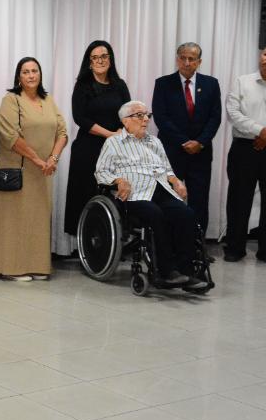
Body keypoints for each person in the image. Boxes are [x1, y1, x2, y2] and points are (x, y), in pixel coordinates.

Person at [95, 101, 207, 289]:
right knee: (155, 214)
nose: (146, 119)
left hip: (160, 189)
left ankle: (187, 272)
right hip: (134, 194)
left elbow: (167, 169)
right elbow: (101, 172)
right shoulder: (113, 142)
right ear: (125, 121)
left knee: (186, 214)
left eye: (147, 115)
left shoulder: (155, 142)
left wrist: (176, 181)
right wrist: (118, 180)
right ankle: (166, 272)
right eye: (140, 115)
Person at [0, 57, 68, 281]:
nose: (31, 75)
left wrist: (53, 158)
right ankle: (11, 268)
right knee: (15, 219)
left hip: (44, 172)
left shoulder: (48, 100)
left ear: (40, 74)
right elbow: (10, 135)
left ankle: (37, 266)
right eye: (26, 72)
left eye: (34, 71)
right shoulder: (11, 100)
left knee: (38, 219)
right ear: (19, 77)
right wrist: (38, 160)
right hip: (18, 169)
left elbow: (62, 132)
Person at [223, 42, 266, 265]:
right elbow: (233, 113)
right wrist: (260, 131)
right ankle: (235, 248)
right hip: (245, 148)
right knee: (238, 199)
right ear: (260, 57)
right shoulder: (242, 81)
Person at [151, 42, 222, 235]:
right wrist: (184, 141)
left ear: (199, 62)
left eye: (192, 59)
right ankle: (169, 243)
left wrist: (200, 142)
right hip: (171, 152)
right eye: (183, 58)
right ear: (177, 59)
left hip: (200, 153)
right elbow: (161, 118)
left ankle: (196, 245)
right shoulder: (163, 83)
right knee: (168, 199)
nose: (187, 62)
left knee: (199, 200)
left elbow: (215, 118)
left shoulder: (211, 84)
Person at [63, 40, 130, 235]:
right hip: (88, 150)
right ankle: (87, 244)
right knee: (86, 196)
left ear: (110, 59)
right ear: (89, 62)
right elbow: (80, 118)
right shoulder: (82, 86)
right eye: (95, 58)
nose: (100, 61)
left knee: (115, 196)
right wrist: (110, 135)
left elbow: (128, 112)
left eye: (104, 56)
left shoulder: (120, 85)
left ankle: (111, 240)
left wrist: (120, 133)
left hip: (116, 150)